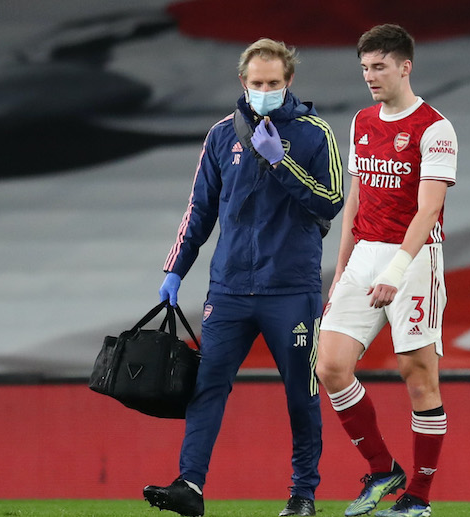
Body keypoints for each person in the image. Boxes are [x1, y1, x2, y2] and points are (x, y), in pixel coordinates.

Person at [143, 38, 344, 517]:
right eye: (257, 83)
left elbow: (332, 200)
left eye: (273, 83)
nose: (265, 91)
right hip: (229, 288)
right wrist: (175, 269)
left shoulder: (315, 133)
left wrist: (280, 161)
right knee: (206, 386)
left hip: (290, 289)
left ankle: (303, 495)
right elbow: (199, 210)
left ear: (289, 81)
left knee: (301, 395)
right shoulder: (220, 135)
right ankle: (190, 485)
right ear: (243, 82)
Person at [315, 24, 458, 517]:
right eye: (365, 68)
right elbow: (355, 198)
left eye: (379, 66)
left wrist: (395, 271)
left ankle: (419, 495)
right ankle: (382, 469)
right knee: (330, 366)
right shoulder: (361, 121)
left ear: (405, 66)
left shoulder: (435, 128)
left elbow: (428, 209)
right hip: (363, 256)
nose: (370, 76)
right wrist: (341, 268)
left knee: (417, 376)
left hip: (414, 260)